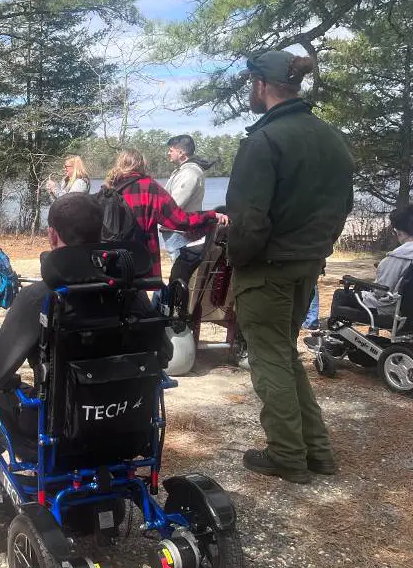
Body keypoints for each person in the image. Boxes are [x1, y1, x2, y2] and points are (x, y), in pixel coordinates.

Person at [226, 50, 354, 484]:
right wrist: (316, 251)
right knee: (285, 355)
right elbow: (342, 206)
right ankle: (316, 452)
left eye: (251, 84)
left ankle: (287, 455)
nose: (250, 91)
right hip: (306, 264)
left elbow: (248, 219)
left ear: (262, 85)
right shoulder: (329, 136)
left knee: (269, 359)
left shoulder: (265, 140)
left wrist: (236, 261)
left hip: (267, 268)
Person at [0, 192, 170, 449]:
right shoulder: (132, 292)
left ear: (52, 235)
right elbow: (165, 352)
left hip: (59, 436)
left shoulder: (41, 298)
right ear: (100, 233)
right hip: (127, 429)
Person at [98, 148, 227, 279]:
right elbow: (180, 220)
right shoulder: (149, 187)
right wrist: (211, 215)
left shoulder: (107, 189)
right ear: (142, 165)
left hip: (109, 260)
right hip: (139, 261)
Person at [161, 135, 215, 284]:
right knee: (178, 273)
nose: (168, 153)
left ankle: (178, 304)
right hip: (177, 232)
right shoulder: (183, 171)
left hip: (180, 233)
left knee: (180, 275)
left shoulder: (189, 173)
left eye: (171, 150)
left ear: (181, 153)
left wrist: (155, 216)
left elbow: (174, 205)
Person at [360, 206, 413, 314]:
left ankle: (336, 326)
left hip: (395, 313)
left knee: (341, 295)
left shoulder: (395, 258)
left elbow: (380, 292)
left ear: (399, 232)